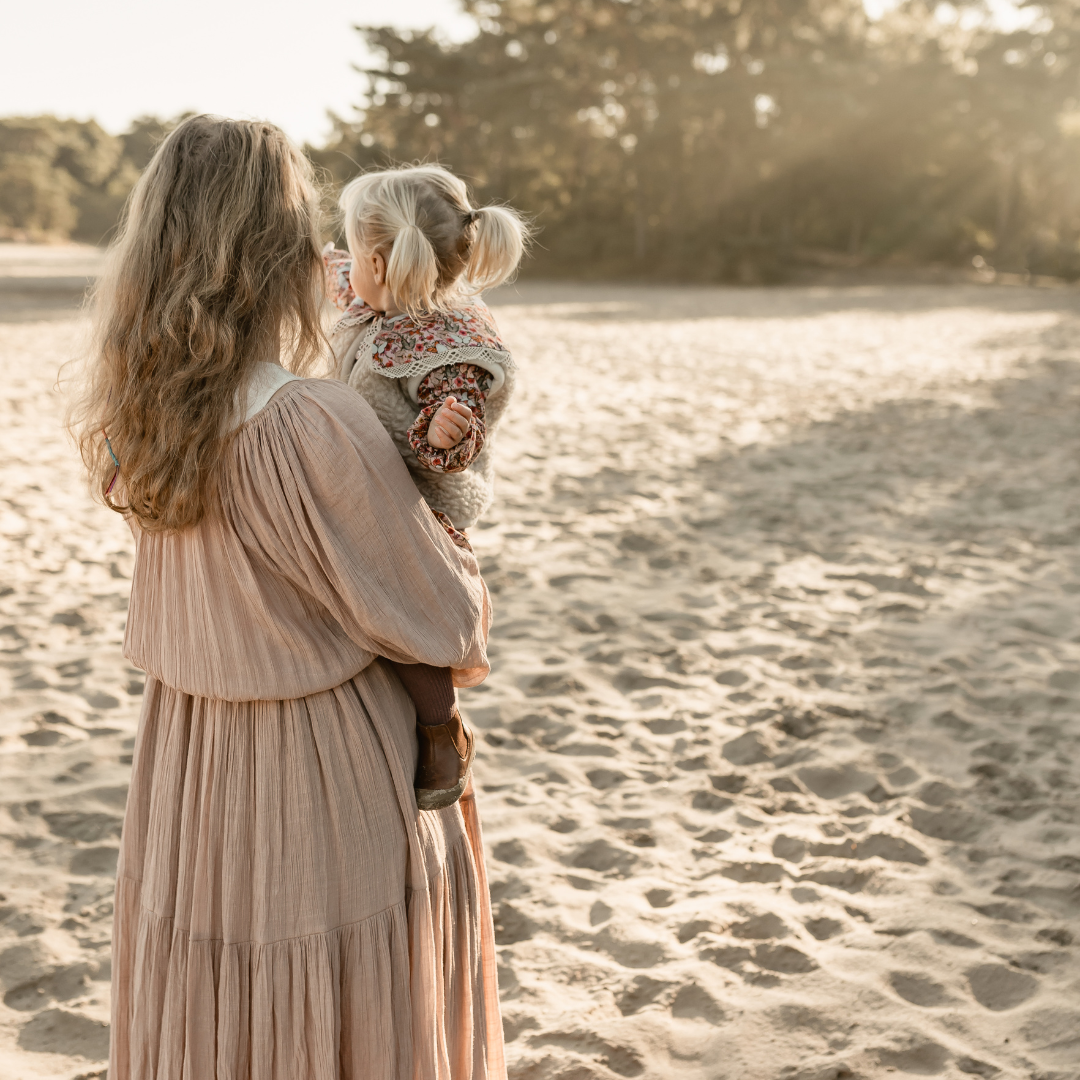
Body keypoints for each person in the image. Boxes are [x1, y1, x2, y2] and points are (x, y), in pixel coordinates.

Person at [71, 115, 505, 1079]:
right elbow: (437, 617)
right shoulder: (312, 420)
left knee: (219, 1004)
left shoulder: (140, 416)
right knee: (344, 1010)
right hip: (321, 767)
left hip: (189, 768)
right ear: (279, 250)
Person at [322, 166, 527, 810]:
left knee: (406, 616)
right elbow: (329, 269)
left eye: (355, 256)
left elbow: (465, 434)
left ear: (379, 262)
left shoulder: (450, 342)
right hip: (367, 482)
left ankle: (443, 728)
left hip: (418, 504)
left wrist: (443, 435)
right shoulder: (378, 295)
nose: (346, 268)